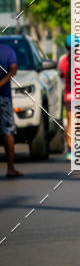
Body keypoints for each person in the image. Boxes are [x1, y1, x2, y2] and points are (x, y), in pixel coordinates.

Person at [0, 41, 21, 178]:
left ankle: (11, 168)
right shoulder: (8, 50)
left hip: (4, 98)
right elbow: (13, 70)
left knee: (7, 131)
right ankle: (10, 168)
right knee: (7, 131)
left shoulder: (7, 50)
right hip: (4, 97)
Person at [59, 34, 77, 160]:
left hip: (69, 96)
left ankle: (71, 151)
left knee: (71, 123)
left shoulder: (62, 60)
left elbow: (60, 74)